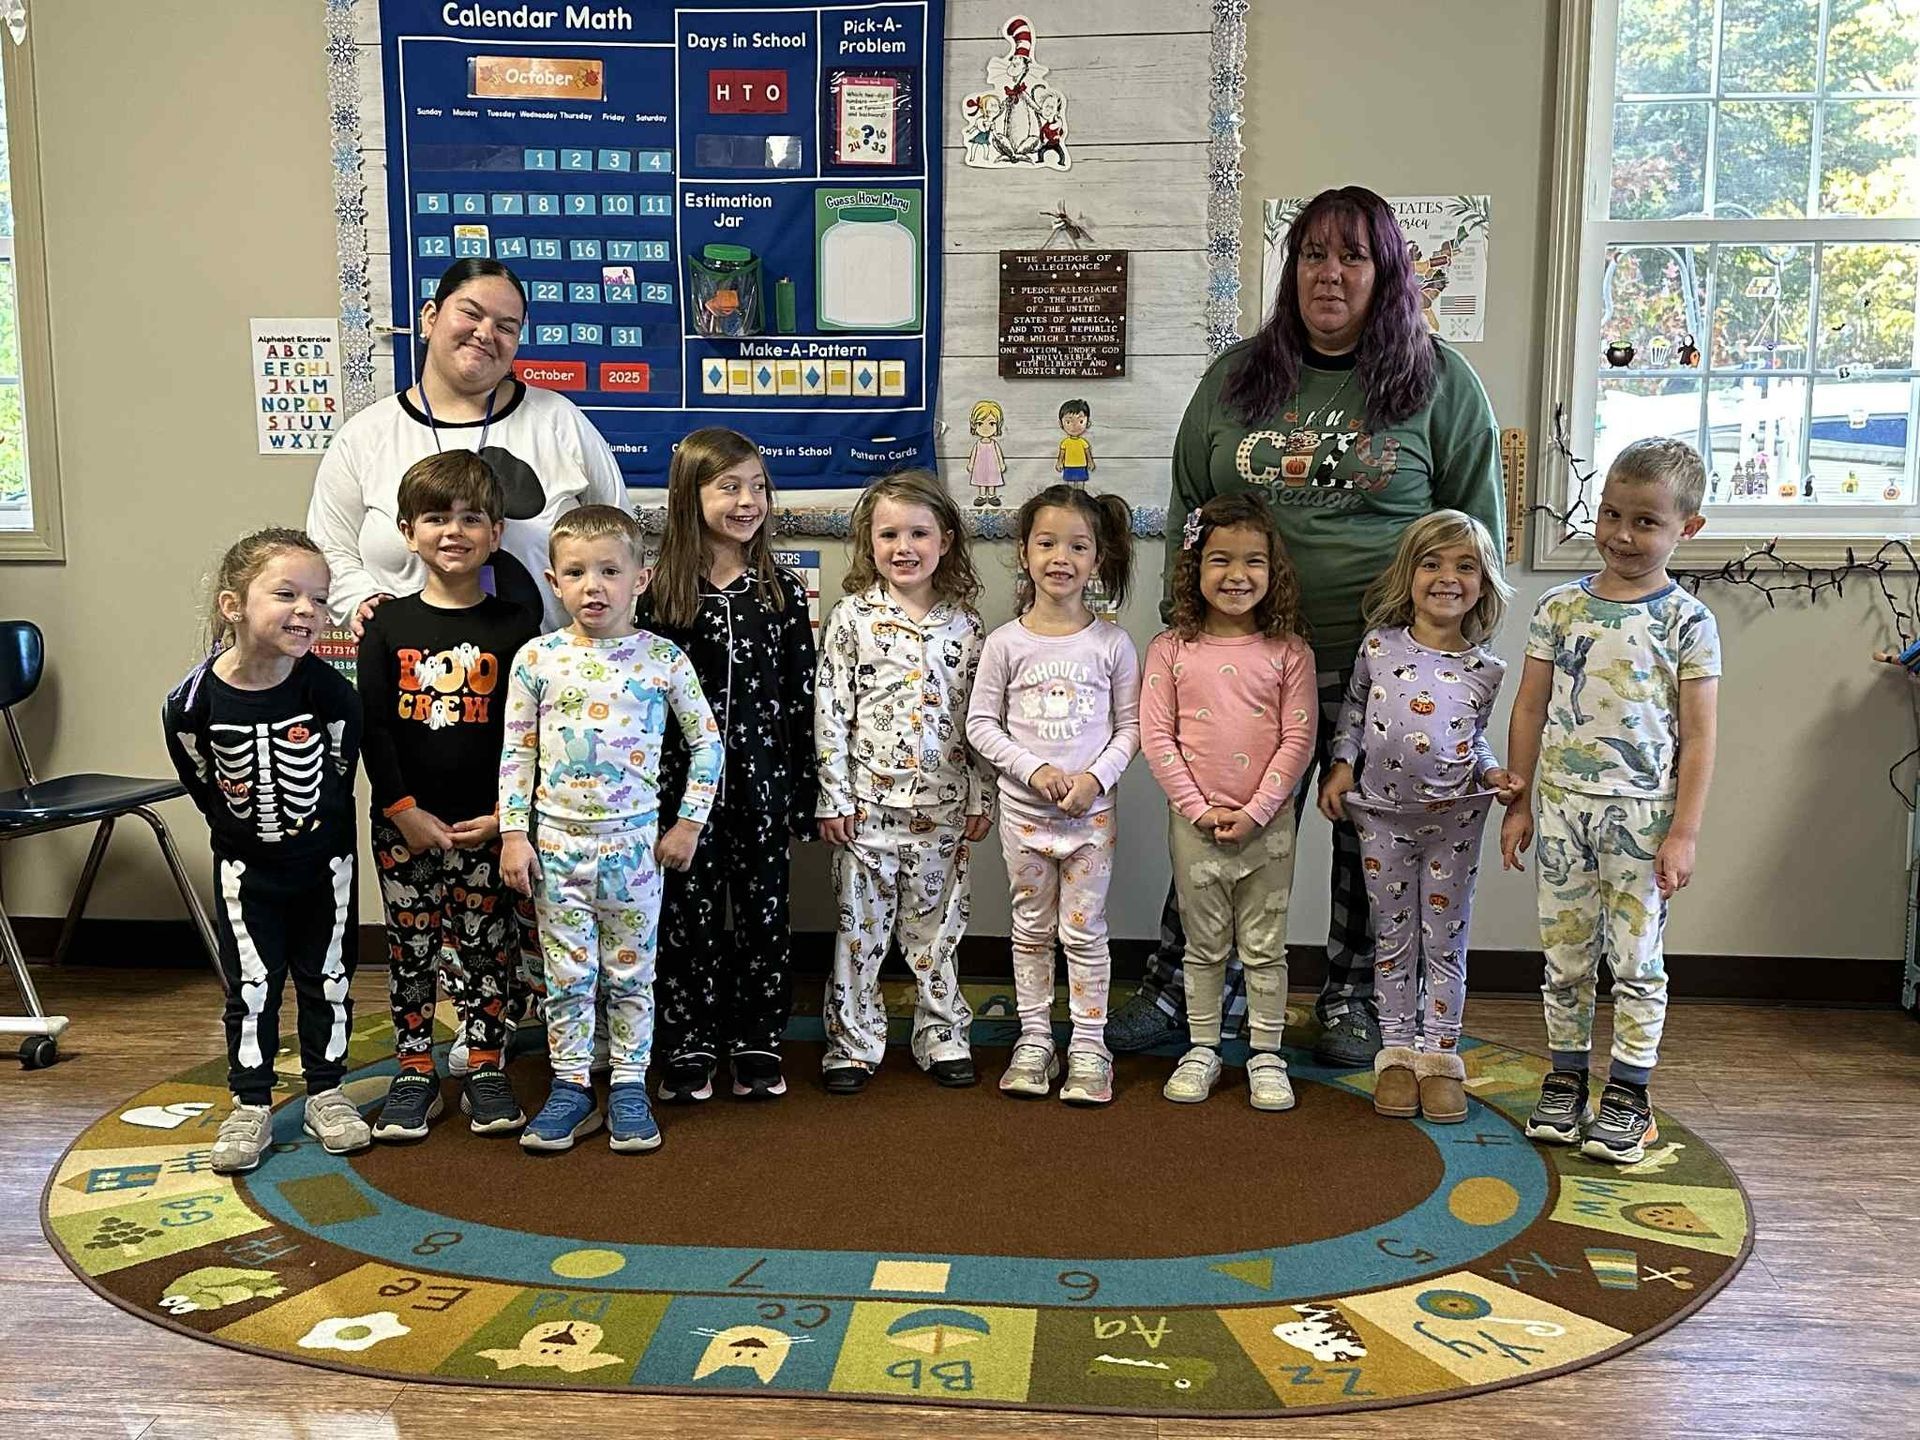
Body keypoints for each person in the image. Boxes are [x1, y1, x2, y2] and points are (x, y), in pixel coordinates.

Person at [1110, 185, 1505, 1069]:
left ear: (1388, 272)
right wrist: (1186, 633)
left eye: (1353, 256)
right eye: (1313, 255)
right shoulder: (1236, 376)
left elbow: (1476, 530)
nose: (1330, 274)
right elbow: (1188, 504)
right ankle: (1188, 984)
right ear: (1291, 270)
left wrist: (1456, 654)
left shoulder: (1440, 382)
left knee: (1375, 836)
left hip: (1388, 669)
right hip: (1245, 663)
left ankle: (1358, 995)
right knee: (1224, 824)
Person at [1501, 437, 1720, 1164]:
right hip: (1564, 811)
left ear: (1687, 527)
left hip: (1642, 818)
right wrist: (1521, 800)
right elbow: (1530, 708)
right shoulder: (1560, 608)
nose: (1624, 535)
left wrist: (1683, 832)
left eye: (1647, 522)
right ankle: (1566, 1079)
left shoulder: (1687, 623)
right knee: (1564, 956)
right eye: (1612, 514)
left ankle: (1629, 1091)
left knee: (1634, 962)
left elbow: (1698, 735)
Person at [499, 506, 723, 1154]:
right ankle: (571, 1085)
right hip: (558, 847)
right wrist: (516, 834)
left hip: (634, 850)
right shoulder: (538, 658)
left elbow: (706, 746)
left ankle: (628, 1083)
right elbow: (518, 751)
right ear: (553, 580)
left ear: (641, 579)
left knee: (629, 973)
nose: (593, 585)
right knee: (567, 976)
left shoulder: (662, 659)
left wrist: (687, 824)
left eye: (608, 571)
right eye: (576, 572)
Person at [161, 530, 364, 1175]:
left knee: (327, 979)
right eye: (286, 594)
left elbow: (339, 771)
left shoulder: (330, 693)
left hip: (325, 867)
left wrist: (317, 840)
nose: (307, 610)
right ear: (233, 605)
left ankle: (325, 1091)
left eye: (319, 599)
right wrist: (247, 834)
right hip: (246, 871)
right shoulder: (189, 704)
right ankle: (250, 1101)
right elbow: (202, 782)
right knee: (251, 987)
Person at [357, 452, 540, 1142]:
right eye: (436, 517)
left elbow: (531, 732)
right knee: (411, 948)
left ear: (496, 532)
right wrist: (403, 811)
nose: (453, 531)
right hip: (405, 826)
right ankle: (413, 1070)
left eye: (471, 518)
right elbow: (373, 726)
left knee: (488, 946)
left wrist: (504, 817)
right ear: (408, 531)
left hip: (489, 825)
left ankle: (487, 1064)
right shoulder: (385, 625)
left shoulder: (519, 626)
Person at [1319, 510, 1518, 1123]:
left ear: (1483, 584)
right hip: (1381, 818)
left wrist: (1491, 774)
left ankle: (1441, 1058)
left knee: (1445, 941)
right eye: (1431, 564)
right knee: (1392, 938)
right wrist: (1342, 766)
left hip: (1454, 822)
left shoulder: (1486, 669)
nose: (1447, 577)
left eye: (1465, 566)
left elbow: (1473, 739)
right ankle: (1398, 1053)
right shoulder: (1378, 648)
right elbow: (1354, 713)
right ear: (1408, 576)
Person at [637, 428, 817, 1103]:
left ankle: (758, 1039)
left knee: (766, 916)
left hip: (764, 784)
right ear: (691, 495)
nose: (748, 502)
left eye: (759, 487)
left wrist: (806, 789)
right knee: (687, 915)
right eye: (730, 487)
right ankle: (688, 1041)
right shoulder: (658, 598)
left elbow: (803, 698)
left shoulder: (782, 594)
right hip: (682, 793)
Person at [307, 258, 625, 637]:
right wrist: (361, 599)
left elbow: (620, 537)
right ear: (429, 317)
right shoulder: (364, 436)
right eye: (471, 313)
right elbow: (330, 548)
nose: (485, 333)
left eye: (506, 327)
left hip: (547, 676)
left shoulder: (559, 421)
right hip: (412, 676)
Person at [815, 471, 991, 1093]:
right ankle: (853, 1042)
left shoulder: (967, 628)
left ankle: (941, 1032)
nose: (904, 547)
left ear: (945, 540)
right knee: (858, 929)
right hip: (866, 809)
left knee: (938, 929)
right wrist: (833, 796)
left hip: (942, 809)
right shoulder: (851, 619)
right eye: (888, 534)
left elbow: (981, 719)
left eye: (918, 533)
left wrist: (981, 794)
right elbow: (831, 710)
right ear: (869, 541)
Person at [1141, 496, 1317, 1110]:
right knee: (1204, 944)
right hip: (1195, 827)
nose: (1237, 575)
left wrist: (1257, 811)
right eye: (1220, 560)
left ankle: (1267, 1052)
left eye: (1253, 562)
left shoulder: (1289, 651)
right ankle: (1203, 1047)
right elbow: (1157, 737)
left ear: (1274, 572)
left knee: (1265, 946)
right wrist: (1197, 807)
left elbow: (1298, 738)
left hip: (1268, 828)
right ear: (1194, 567)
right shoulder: (1171, 650)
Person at [966, 485, 1139, 1106]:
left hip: (1090, 819)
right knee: (1031, 930)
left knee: (1084, 931)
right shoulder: (1005, 642)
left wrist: (1094, 779)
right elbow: (981, 724)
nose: (1060, 557)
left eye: (1077, 545)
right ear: (1023, 552)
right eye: (1046, 542)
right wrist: (1035, 771)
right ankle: (1035, 1039)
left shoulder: (1113, 644)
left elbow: (1131, 728)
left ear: (1097, 559)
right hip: (1025, 816)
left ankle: (1090, 1046)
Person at [967, 400, 1008, 509]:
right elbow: (973, 455)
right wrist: (971, 464)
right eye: (980, 423)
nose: (986, 428)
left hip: (992, 466)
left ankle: (992, 495)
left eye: (991, 423)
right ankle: (981, 496)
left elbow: (999, 454)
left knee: (992, 479)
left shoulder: (994, 444)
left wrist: (1001, 464)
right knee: (981, 479)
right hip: (979, 466)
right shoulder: (978, 444)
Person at [1055, 399, 1094, 484]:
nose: (1074, 426)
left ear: (1088, 423)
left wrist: (1090, 462)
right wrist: (1059, 462)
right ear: (1061, 424)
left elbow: (1087, 453)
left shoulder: (1083, 442)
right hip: (1068, 465)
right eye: (1068, 422)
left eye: (1080, 421)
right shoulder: (1065, 442)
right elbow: (1061, 454)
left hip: (1081, 465)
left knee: (1081, 484)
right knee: (1069, 485)